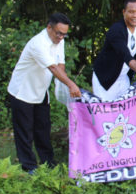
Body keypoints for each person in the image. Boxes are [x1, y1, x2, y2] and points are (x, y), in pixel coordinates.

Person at [8, 13, 82, 173]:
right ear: (49, 27)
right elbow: (53, 68)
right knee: (25, 131)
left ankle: (48, 163)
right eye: (58, 33)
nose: (61, 37)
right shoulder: (38, 43)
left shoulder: (59, 41)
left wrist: (63, 84)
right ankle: (29, 167)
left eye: (64, 34)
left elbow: (60, 65)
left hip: (41, 92)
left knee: (43, 128)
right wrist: (71, 84)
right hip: (22, 92)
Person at [92, 0, 136, 101]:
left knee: (124, 115)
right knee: (105, 114)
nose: (134, 16)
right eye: (131, 12)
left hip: (124, 78)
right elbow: (125, 55)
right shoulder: (116, 30)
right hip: (106, 79)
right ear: (124, 12)